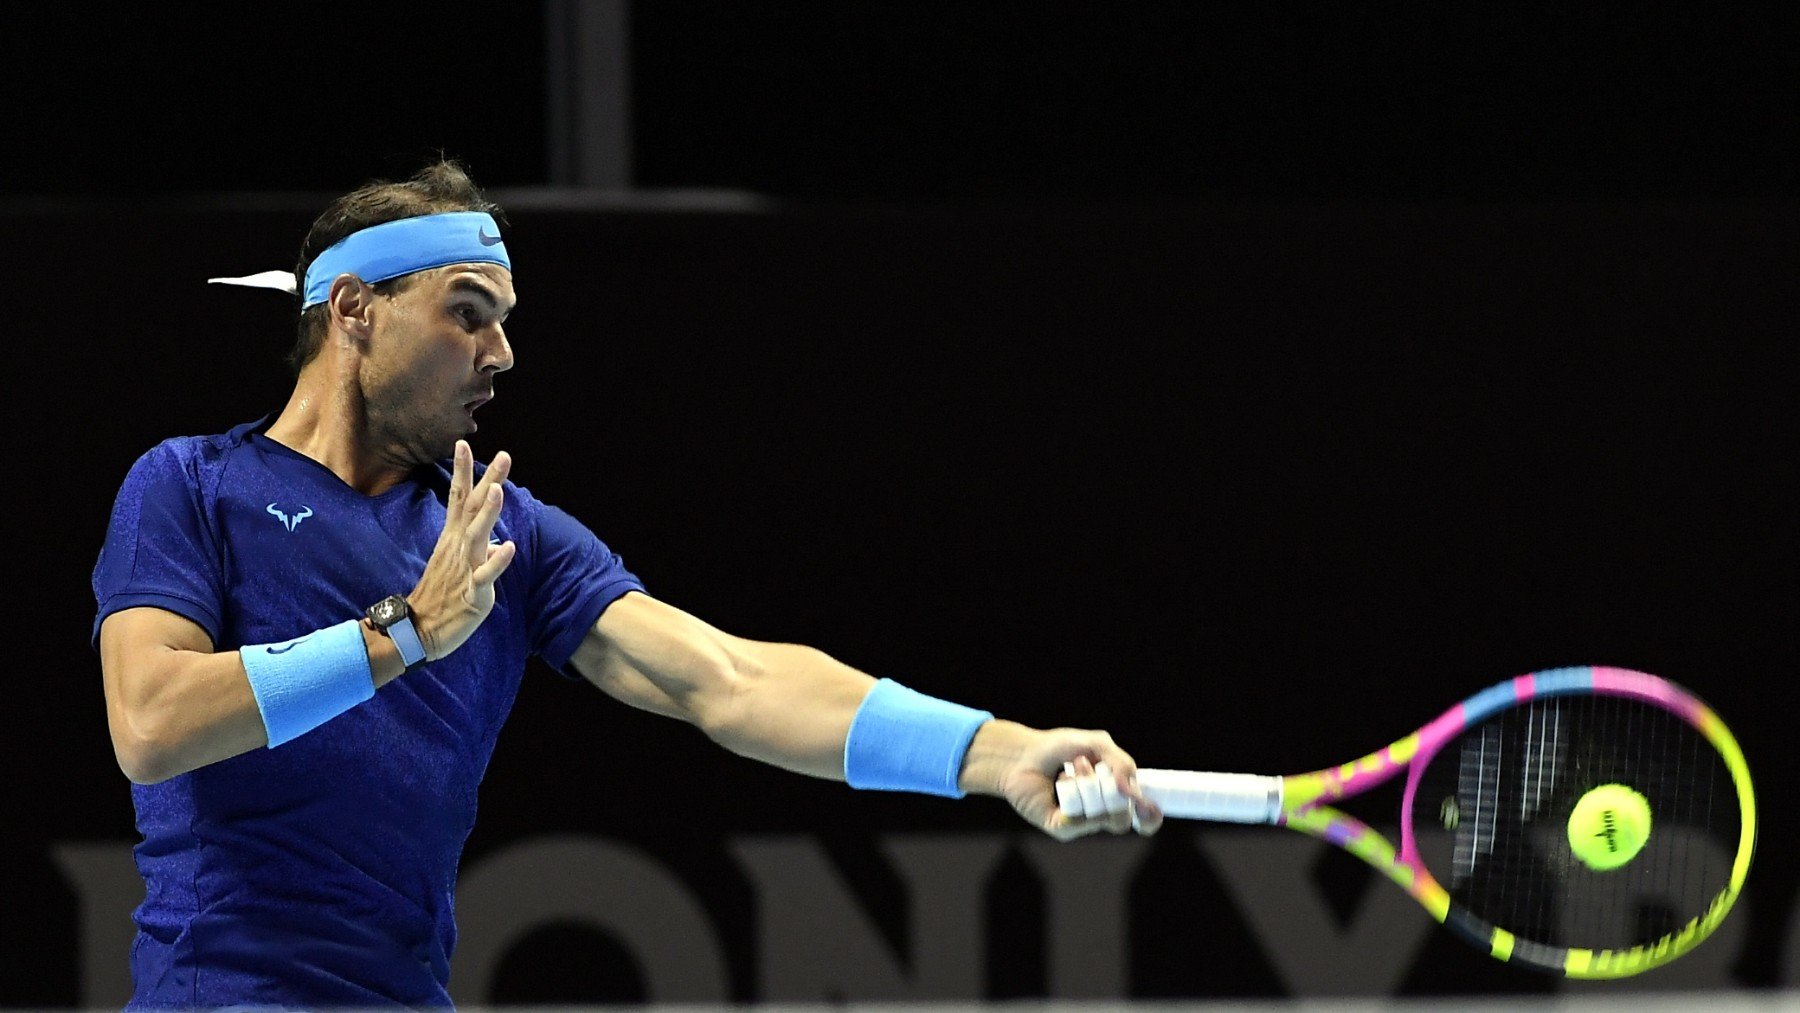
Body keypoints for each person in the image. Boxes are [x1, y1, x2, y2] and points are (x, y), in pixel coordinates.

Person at [91, 158, 1162, 1009]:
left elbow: (730, 680)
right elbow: (151, 720)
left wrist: (998, 749)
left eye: (506, 317)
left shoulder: (508, 536)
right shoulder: (189, 483)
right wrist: (402, 633)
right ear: (355, 309)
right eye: (468, 310)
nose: (501, 351)